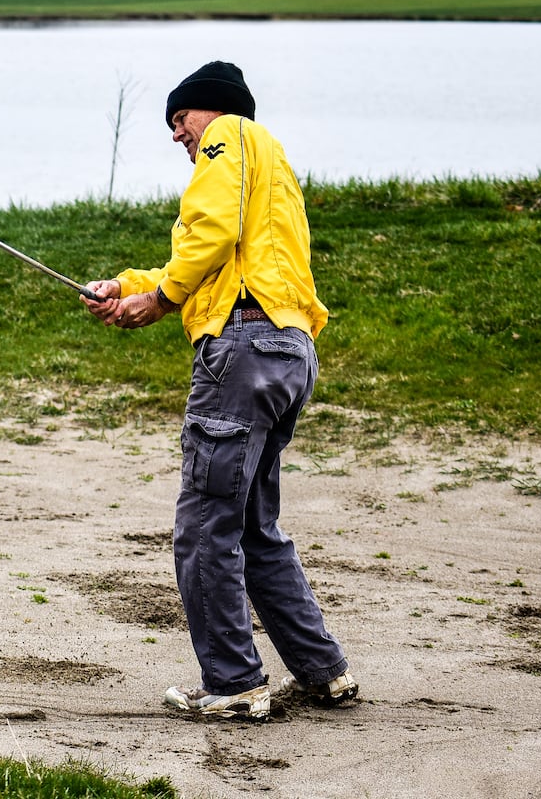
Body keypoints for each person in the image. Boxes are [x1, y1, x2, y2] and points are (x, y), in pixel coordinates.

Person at [82, 60, 356, 721]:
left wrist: (162, 296)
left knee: (204, 528)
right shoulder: (266, 163)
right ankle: (324, 672)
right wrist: (132, 286)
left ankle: (234, 683)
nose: (177, 133)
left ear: (214, 108)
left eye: (181, 118)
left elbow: (209, 235)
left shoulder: (227, 136)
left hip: (242, 354)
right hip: (286, 351)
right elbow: (221, 261)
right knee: (254, 530)